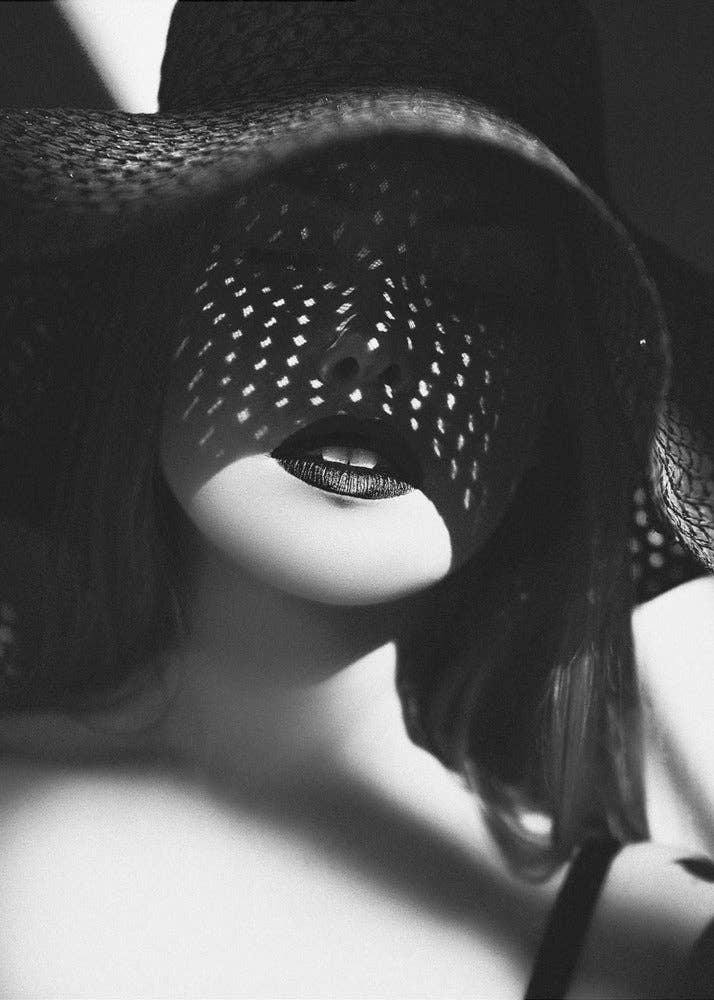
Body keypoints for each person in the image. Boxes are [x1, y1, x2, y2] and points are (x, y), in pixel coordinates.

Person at [0, 2, 712, 996]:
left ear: (553, 397)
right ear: (153, 309)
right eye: (286, 251)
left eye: (474, 283)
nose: (370, 344)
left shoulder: (655, 952)